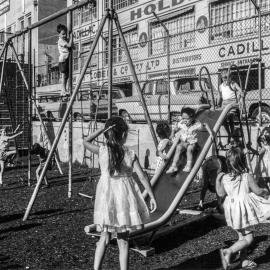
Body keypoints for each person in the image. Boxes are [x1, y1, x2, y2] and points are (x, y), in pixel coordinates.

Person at [83, 116, 157, 270]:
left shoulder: (103, 150)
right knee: (123, 241)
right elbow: (142, 177)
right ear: (123, 134)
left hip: (107, 197)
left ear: (109, 133)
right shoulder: (129, 153)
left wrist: (102, 130)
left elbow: (85, 142)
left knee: (104, 237)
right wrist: (151, 195)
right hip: (124, 197)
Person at [216, 147, 270, 270]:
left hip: (231, 209)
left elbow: (220, 194)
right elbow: (257, 191)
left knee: (242, 237)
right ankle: (228, 251)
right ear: (242, 161)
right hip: (243, 210)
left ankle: (244, 261)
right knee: (249, 238)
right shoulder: (246, 176)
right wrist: (265, 191)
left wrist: (217, 180)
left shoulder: (225, 178)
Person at [166, 107, 203, 173]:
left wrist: (211, 133)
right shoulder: (181, 123)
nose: (184, 120)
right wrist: (172, 134)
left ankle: (188, 166)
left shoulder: (197, 124)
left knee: (189, 149)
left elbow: (204, 125)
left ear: (192, 118)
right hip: (183, 142)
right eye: (183, 118)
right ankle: (174, 166)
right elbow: (175, 128)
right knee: (178, 148)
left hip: (192, 142)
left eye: (187, 118)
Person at [217, 69, 242, 144]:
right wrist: (217, 104)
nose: (226, 79)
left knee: (229, 116)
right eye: (224, 77)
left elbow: (240, 91)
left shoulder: (233, 84)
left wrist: (239, 97)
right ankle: (229, 133)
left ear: (230, 77)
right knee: (222, 118)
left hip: (232, 103)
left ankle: (231, 133)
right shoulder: (221, 86)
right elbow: (219, 96)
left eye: (228, 77)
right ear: (222, 78)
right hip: (224, 104)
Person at [57, 23, 73, 97]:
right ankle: (63, 90)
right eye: (63, 34)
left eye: (65, 34)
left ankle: (66, 89)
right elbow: (69, 45)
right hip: (63, 59)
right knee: (64, 76)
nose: (64, 35)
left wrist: (69, 40)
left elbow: (72, 46)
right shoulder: (60, 41)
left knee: (67, 76)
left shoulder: (65, 40)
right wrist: (71, 37)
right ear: (59, 35)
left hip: (67, 58)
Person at [255, 126, 270, 192]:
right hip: (268, 166)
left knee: (262, 181)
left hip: (265, 166)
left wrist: (250, 149)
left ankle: (265, 191)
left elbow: (258, 153)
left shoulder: (265, 147)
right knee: (267, 181)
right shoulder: (268, 147)